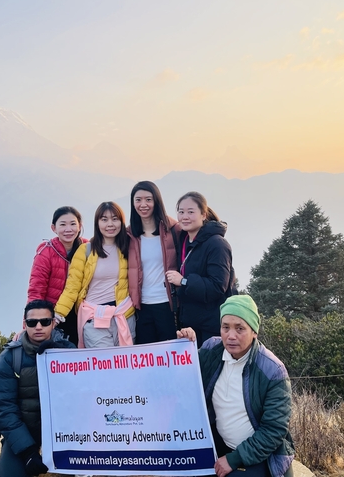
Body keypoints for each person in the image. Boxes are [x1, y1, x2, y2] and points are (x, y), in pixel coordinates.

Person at [177, 295, 294, 477]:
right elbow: (182, 378)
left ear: (254, 331)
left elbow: (274, 430)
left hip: (259, 455)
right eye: (226, 327)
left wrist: (234, 459)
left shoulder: (273, 371)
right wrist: (184, 345)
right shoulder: (210, 350)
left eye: (240, 328)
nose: (231, 336)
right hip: (219, 445)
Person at [0, 300, 76, 477]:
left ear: (53, 323)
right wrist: (28, 452)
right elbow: (4, 408)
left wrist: (57, 356)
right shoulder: (10, 357)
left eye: (45, 322)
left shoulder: (70, 352)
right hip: (25, 430)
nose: (38, 327)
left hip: (62, 435)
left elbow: (80, 398)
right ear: (24, 324)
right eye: (32, 322)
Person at [55, 201, 135, 348]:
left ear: (122, 222)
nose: (110, 224)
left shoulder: (128, 247)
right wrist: (57, 315)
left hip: (124, 316)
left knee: (126, 365)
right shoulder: (86, 250)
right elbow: (72, 287)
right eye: (104, 219)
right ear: (97, 223)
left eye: (115, 219)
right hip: (94, 319)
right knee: (103, 366)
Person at [166, 191, 235, 347]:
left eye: (191, 212)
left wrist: (183, 281)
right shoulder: (184, 240)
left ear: (204, 215)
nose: (185, 216)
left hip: (211, 326)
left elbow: (218, 286)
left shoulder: (217, 244)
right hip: (190, 325)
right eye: (181, 212)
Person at [127, 181, 181, 344]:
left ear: (156, 201)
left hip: (167, 305)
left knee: (170, 355)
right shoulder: (129, 235)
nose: (143, 204)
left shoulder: (173, 230)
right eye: (138, 200)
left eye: (148, 199)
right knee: (147, 358)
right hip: (141, 306)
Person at [27, 206, 87, 345]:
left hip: (82, 314)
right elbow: (36, 290)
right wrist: (30, 324)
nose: (68, 229)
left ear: (80, 226)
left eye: (73, 224)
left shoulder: (87, 247)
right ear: (53, 228)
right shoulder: (46, 252)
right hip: (55, 316)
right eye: (63, 224)